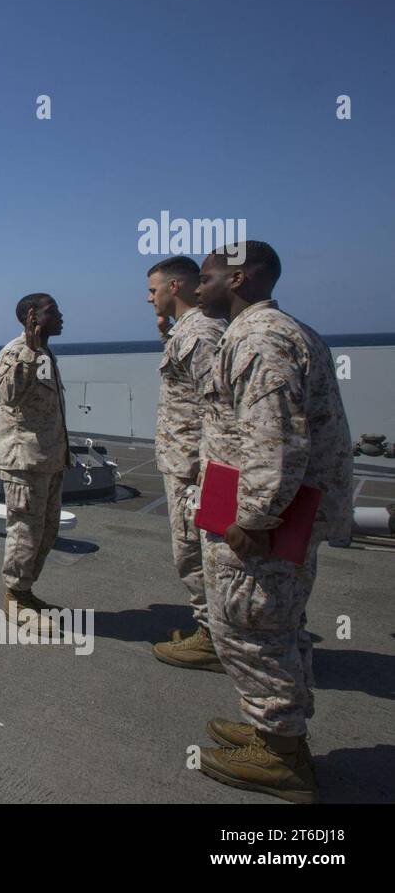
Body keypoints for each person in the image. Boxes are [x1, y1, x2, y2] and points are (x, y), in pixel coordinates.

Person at [193, 241, 352, 803]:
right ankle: (272, 728)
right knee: (276, 622)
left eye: (207, 277)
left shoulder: (260, 339)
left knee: (250, 623)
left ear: (238, 279)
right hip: (274, 506)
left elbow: (273, 436)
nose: (197, 286)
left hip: (261, 514)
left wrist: (255, 517)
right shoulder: (285, 330)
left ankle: (281, 754)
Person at [146, 257, 227, 670]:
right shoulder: (188, 332)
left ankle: (214, 639)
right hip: (185, 462)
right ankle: (212, 632)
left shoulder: (202, 334)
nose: (148, 298)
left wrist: (204, 470)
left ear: (174, 287)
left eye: (153, 289)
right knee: (192, 552)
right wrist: (167, 336)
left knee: (195, 554)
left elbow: (219, 406)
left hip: (195, 469)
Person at [0, 294, 71, 623]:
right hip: (24, 462)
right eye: (53, 311)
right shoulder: (15, 352)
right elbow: (8, 395)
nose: (61, 316)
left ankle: (25, 591)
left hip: (48, 459)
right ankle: (14, 597)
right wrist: (28, 349)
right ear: (31, 316)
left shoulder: (45, 353)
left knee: (47, 530)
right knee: (25, 531)